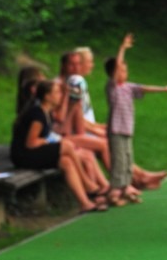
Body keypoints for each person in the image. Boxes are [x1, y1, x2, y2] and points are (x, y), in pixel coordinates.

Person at [60, 48, 167, 191]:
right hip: (76, 133)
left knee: (116, 144)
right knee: (108, 143)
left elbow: (79, 114)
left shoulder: (77, 82)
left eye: (81, 63)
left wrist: (96, 127)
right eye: (88, 62)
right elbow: (72, 115)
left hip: (84, 130)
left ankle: (135, 178)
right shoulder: (76, 82)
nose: (91, 65)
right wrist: (95, 130)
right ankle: (123, 184)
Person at [10, 78, 109, 213]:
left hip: (32, 152)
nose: (60, 95)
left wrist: (68, 97)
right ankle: (87, 183)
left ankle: (85, 203)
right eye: (57, 92)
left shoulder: (47, 112)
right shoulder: (37, 115)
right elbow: (31, 143)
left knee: (66, 162)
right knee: (67, 145)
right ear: (47, 97)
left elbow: (62, 123)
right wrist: (47, 141)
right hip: (24, 155)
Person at [104, 34, 167, 207]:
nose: (124, 73)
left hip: (127, 130)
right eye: (121, 70)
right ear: (114, 73)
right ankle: (114, 191)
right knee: (119, 161)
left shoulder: (128, 87)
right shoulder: (112, 87)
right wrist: (122, 48)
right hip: (116, 130)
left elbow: (145, 88)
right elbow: (117, 69)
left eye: (125, 70)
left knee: (128, 160)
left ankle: (126, 188)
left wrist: (165, 89)